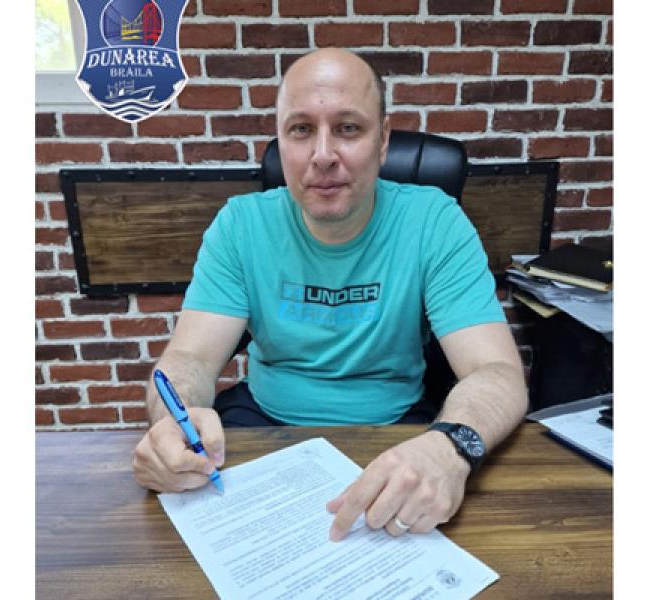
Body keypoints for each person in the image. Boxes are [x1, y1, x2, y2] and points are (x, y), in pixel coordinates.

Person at [131, 48, 527, 542]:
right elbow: (189, 358)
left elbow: (498, 373)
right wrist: (174, 422)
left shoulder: (434, 221)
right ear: (281, 141)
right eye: (300, 129)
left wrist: (450, 448)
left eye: (348, 128)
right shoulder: (240, 224)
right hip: (260, 424)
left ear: (383, 141)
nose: (322, 154)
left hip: (399, 428)